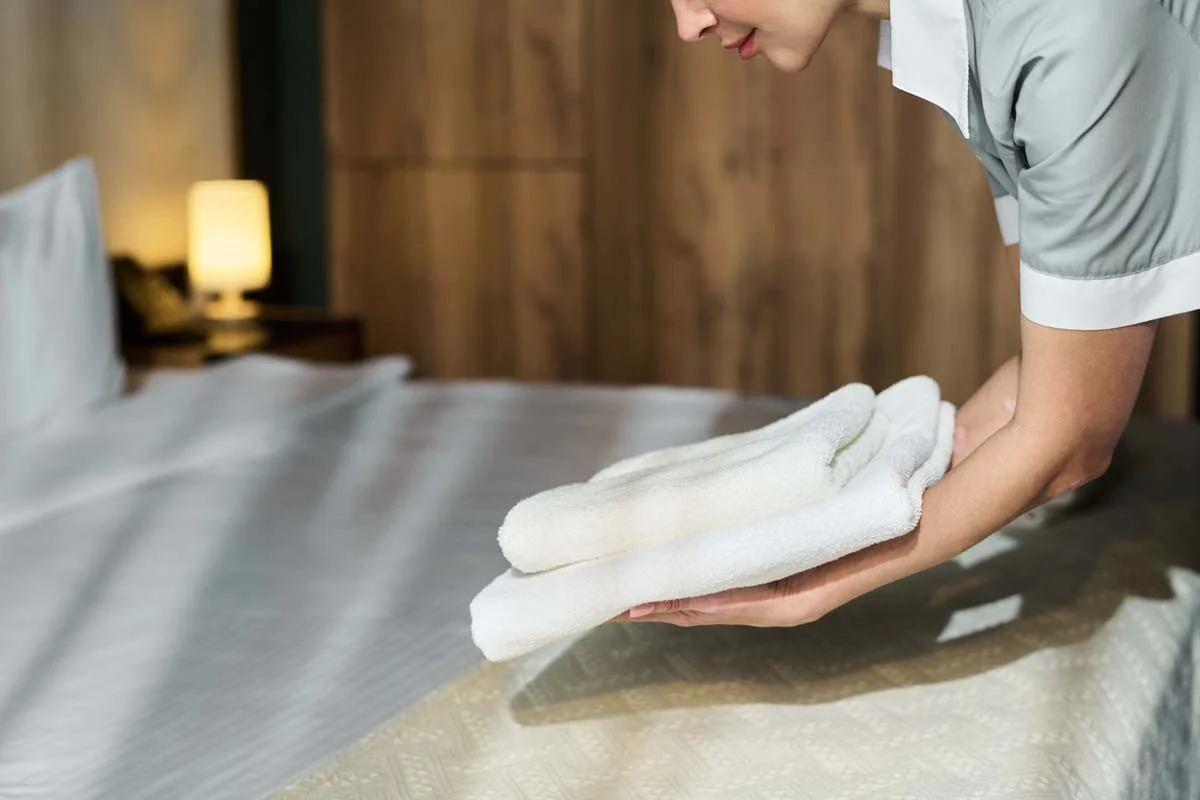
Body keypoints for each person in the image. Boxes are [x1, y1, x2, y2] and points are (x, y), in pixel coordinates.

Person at [622, 0, 1200, 626]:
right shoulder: (980, 39)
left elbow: (1070, 444)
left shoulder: (1066, 34)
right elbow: (1057, 371)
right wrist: (885, 471)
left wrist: (807, 586)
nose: (688, 24)